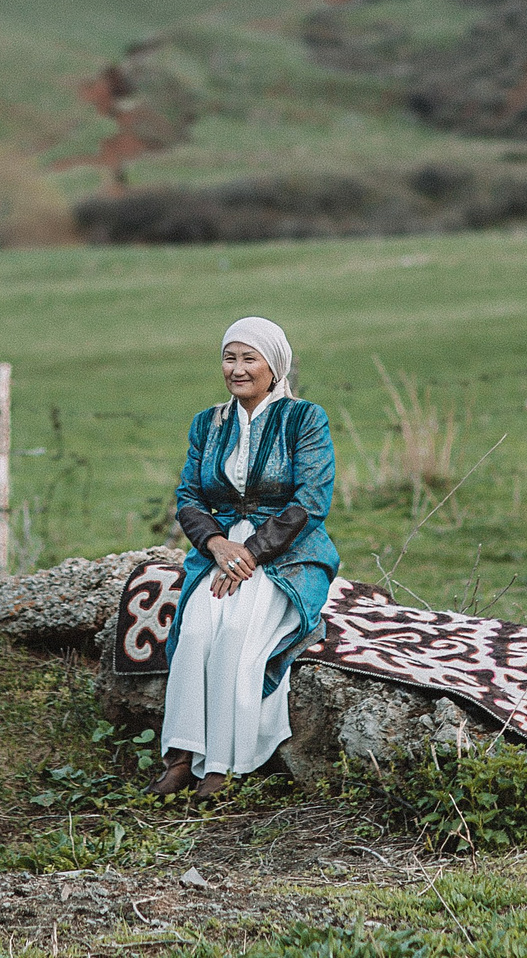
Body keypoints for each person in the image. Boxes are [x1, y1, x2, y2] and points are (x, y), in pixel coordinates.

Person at [153, 316, 338, 798]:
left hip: (286, 549)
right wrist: (218, 546)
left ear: (274, 366)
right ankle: (182, 753)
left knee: (238, 632)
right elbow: (189, 497)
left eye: (249, 358)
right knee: (194, 629)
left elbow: (312, 500)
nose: (237, 369)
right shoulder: (208, 422)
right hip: (221, 548)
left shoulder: (304, 419)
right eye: (229, 357)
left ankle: (223, 762)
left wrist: (251, 554)